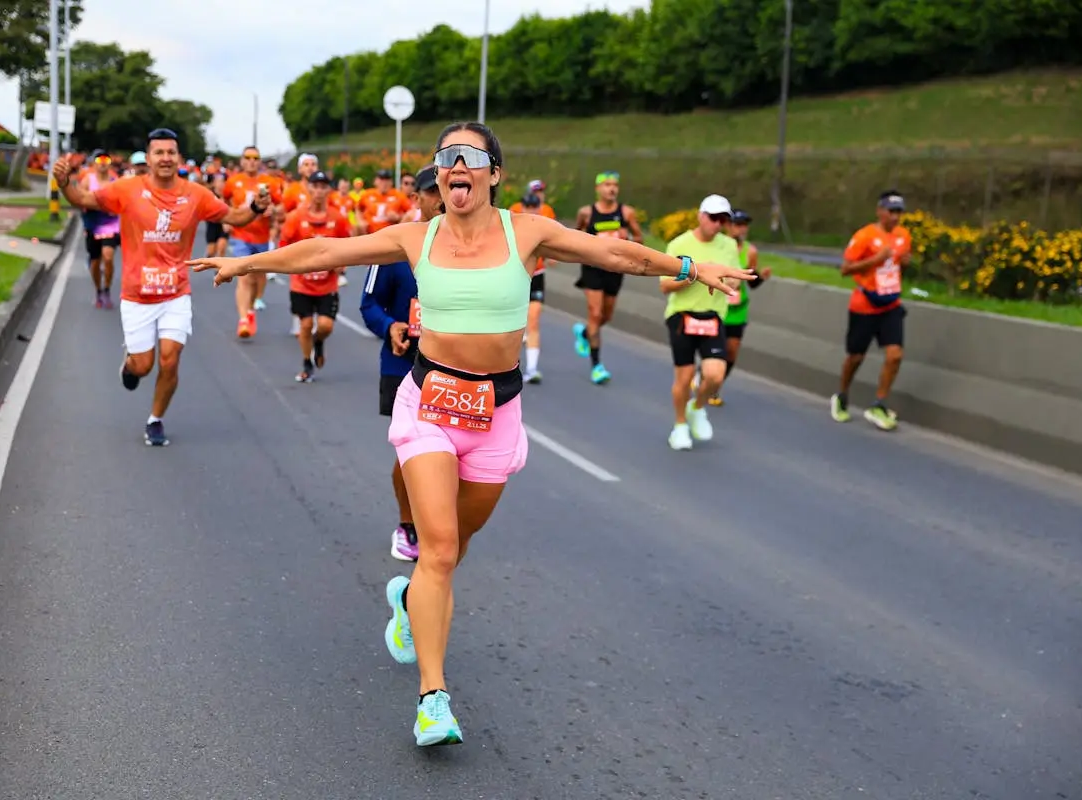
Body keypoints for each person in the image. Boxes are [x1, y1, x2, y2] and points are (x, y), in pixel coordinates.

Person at [188, 121, 752, 748]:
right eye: (447, 156)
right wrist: (248, 261)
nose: (457, 165)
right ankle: (433, 699)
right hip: (429, 404)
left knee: (454, 547)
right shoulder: (414, 236)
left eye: (471, 156)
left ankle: (410, 603)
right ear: (440, 173)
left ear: (494, 173)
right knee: (437, 551)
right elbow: (325, 252)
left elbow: (613, 252)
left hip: (496, 413)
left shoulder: (526, 232)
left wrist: (689, 266)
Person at [52, 127, 268, 446]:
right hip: (137, 295)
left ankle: (155, 419)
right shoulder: (127, 189)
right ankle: (130, 364)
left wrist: (257, 208)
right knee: (143, 365)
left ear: (178, 157)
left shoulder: (196, 194)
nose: (165, 158)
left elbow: (235, 217)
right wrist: (63, 182)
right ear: (149, 158)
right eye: (159, 152)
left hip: (175, 293)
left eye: (170, 152)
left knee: (170, 359)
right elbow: (83, 198)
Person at [360, 164, 442, 563]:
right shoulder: (394, 245)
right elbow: (369, 304)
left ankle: (439, 522)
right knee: (412, 450)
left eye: (447, 189)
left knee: (449, 453)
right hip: (403, 364)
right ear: (416, 198)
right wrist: (390, 326)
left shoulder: (473, 248)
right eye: (432, 191)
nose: (442, 199)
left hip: (453, 369)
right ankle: (408, 524)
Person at [662, 195, 741, 451]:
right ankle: (680, 426)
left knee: (715, 375)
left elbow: (735, 278)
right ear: (700, 216)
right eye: (713, 218)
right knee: (684, 377)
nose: (717, 224)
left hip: (713, 315)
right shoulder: (679, 244)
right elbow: (665, 285)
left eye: (723, 220)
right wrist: (697, 274)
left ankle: (697, 408)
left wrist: (731, 281)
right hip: (682, 314)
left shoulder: (729, 245)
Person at [831, 190, 912, 431]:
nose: (895, 217)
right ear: (880, 211)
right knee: (856, 357)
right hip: (864, 305)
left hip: (891, 305)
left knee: (895, 355)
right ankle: (842, 395)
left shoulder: (903, 236)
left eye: (899, 212)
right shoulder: (865, 235)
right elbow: (845, 269)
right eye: (891, 211)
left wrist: (904, 264)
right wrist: (876, 260)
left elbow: (898, 267)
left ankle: (879, 404)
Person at [280, 171, 352, 383]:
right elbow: (283, 246)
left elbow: (348, 246)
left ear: (329, 190)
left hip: (327, 285)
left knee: (325, 326)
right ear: (309, 188)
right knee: (304, 325)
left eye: (323, 186)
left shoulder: (337, 218)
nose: (319, 191)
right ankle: (306, 363)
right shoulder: (295, 217)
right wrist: (292, 264)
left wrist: (341, 264)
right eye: (315, 186)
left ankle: (318, 341)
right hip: (301, 283)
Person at [573, 171, 644, 384]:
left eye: (615, 185)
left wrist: (627, 237)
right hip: (592, 268)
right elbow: (575, 237)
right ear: (598, 189)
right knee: (595, 313)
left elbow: (639, 239)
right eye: (607, 185)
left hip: (615, 270)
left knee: (606, 315)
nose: (611, 189)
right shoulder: (586, 213)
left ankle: (585, 333)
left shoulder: (627, 213)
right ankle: (596, 366)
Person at [224, 146, 284, 338]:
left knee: (258, 276)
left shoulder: (269, 182)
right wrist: (227, 219)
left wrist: (273, 210)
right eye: (248, 157)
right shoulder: (233, 182)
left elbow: (280, 205)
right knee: (244, 276)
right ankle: (243, 319)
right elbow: (224, 201)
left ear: (259, 161)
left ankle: (251, 308)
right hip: (241, 235)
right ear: (242, 160)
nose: (251, 161)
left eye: (255, 158)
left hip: (262, 236)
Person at [713, 208, 770, 405]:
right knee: (714, 350)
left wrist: (761, 277)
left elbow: (752, 283)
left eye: (744, 225)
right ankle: (705, 377)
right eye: (738, 225)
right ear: (728, 226)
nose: (742, 229)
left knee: (731, 352)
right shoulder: (716, 247)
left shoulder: (750, 251)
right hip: (716, 306)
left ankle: (715, 387)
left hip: (738, 310)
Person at [77, 149, 121, 309]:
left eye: (106, 160)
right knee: (95, 262)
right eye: (99, 160)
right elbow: (80, 199)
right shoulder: (87, 180)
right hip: (93, 224)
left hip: (110, 224)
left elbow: (121, 201)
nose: (102, 164)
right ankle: (98, 290)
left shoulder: (115, 181)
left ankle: (107, 289)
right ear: (94, 164)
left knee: (108, 257)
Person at [519, 192, 552, 383]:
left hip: (537, 276)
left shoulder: (545, 227)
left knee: (533, 321)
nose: (531, 211)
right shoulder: (514, 225)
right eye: (528, 207)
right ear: (522, 207)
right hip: (516, 277)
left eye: (535, 207)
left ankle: (532, 369)